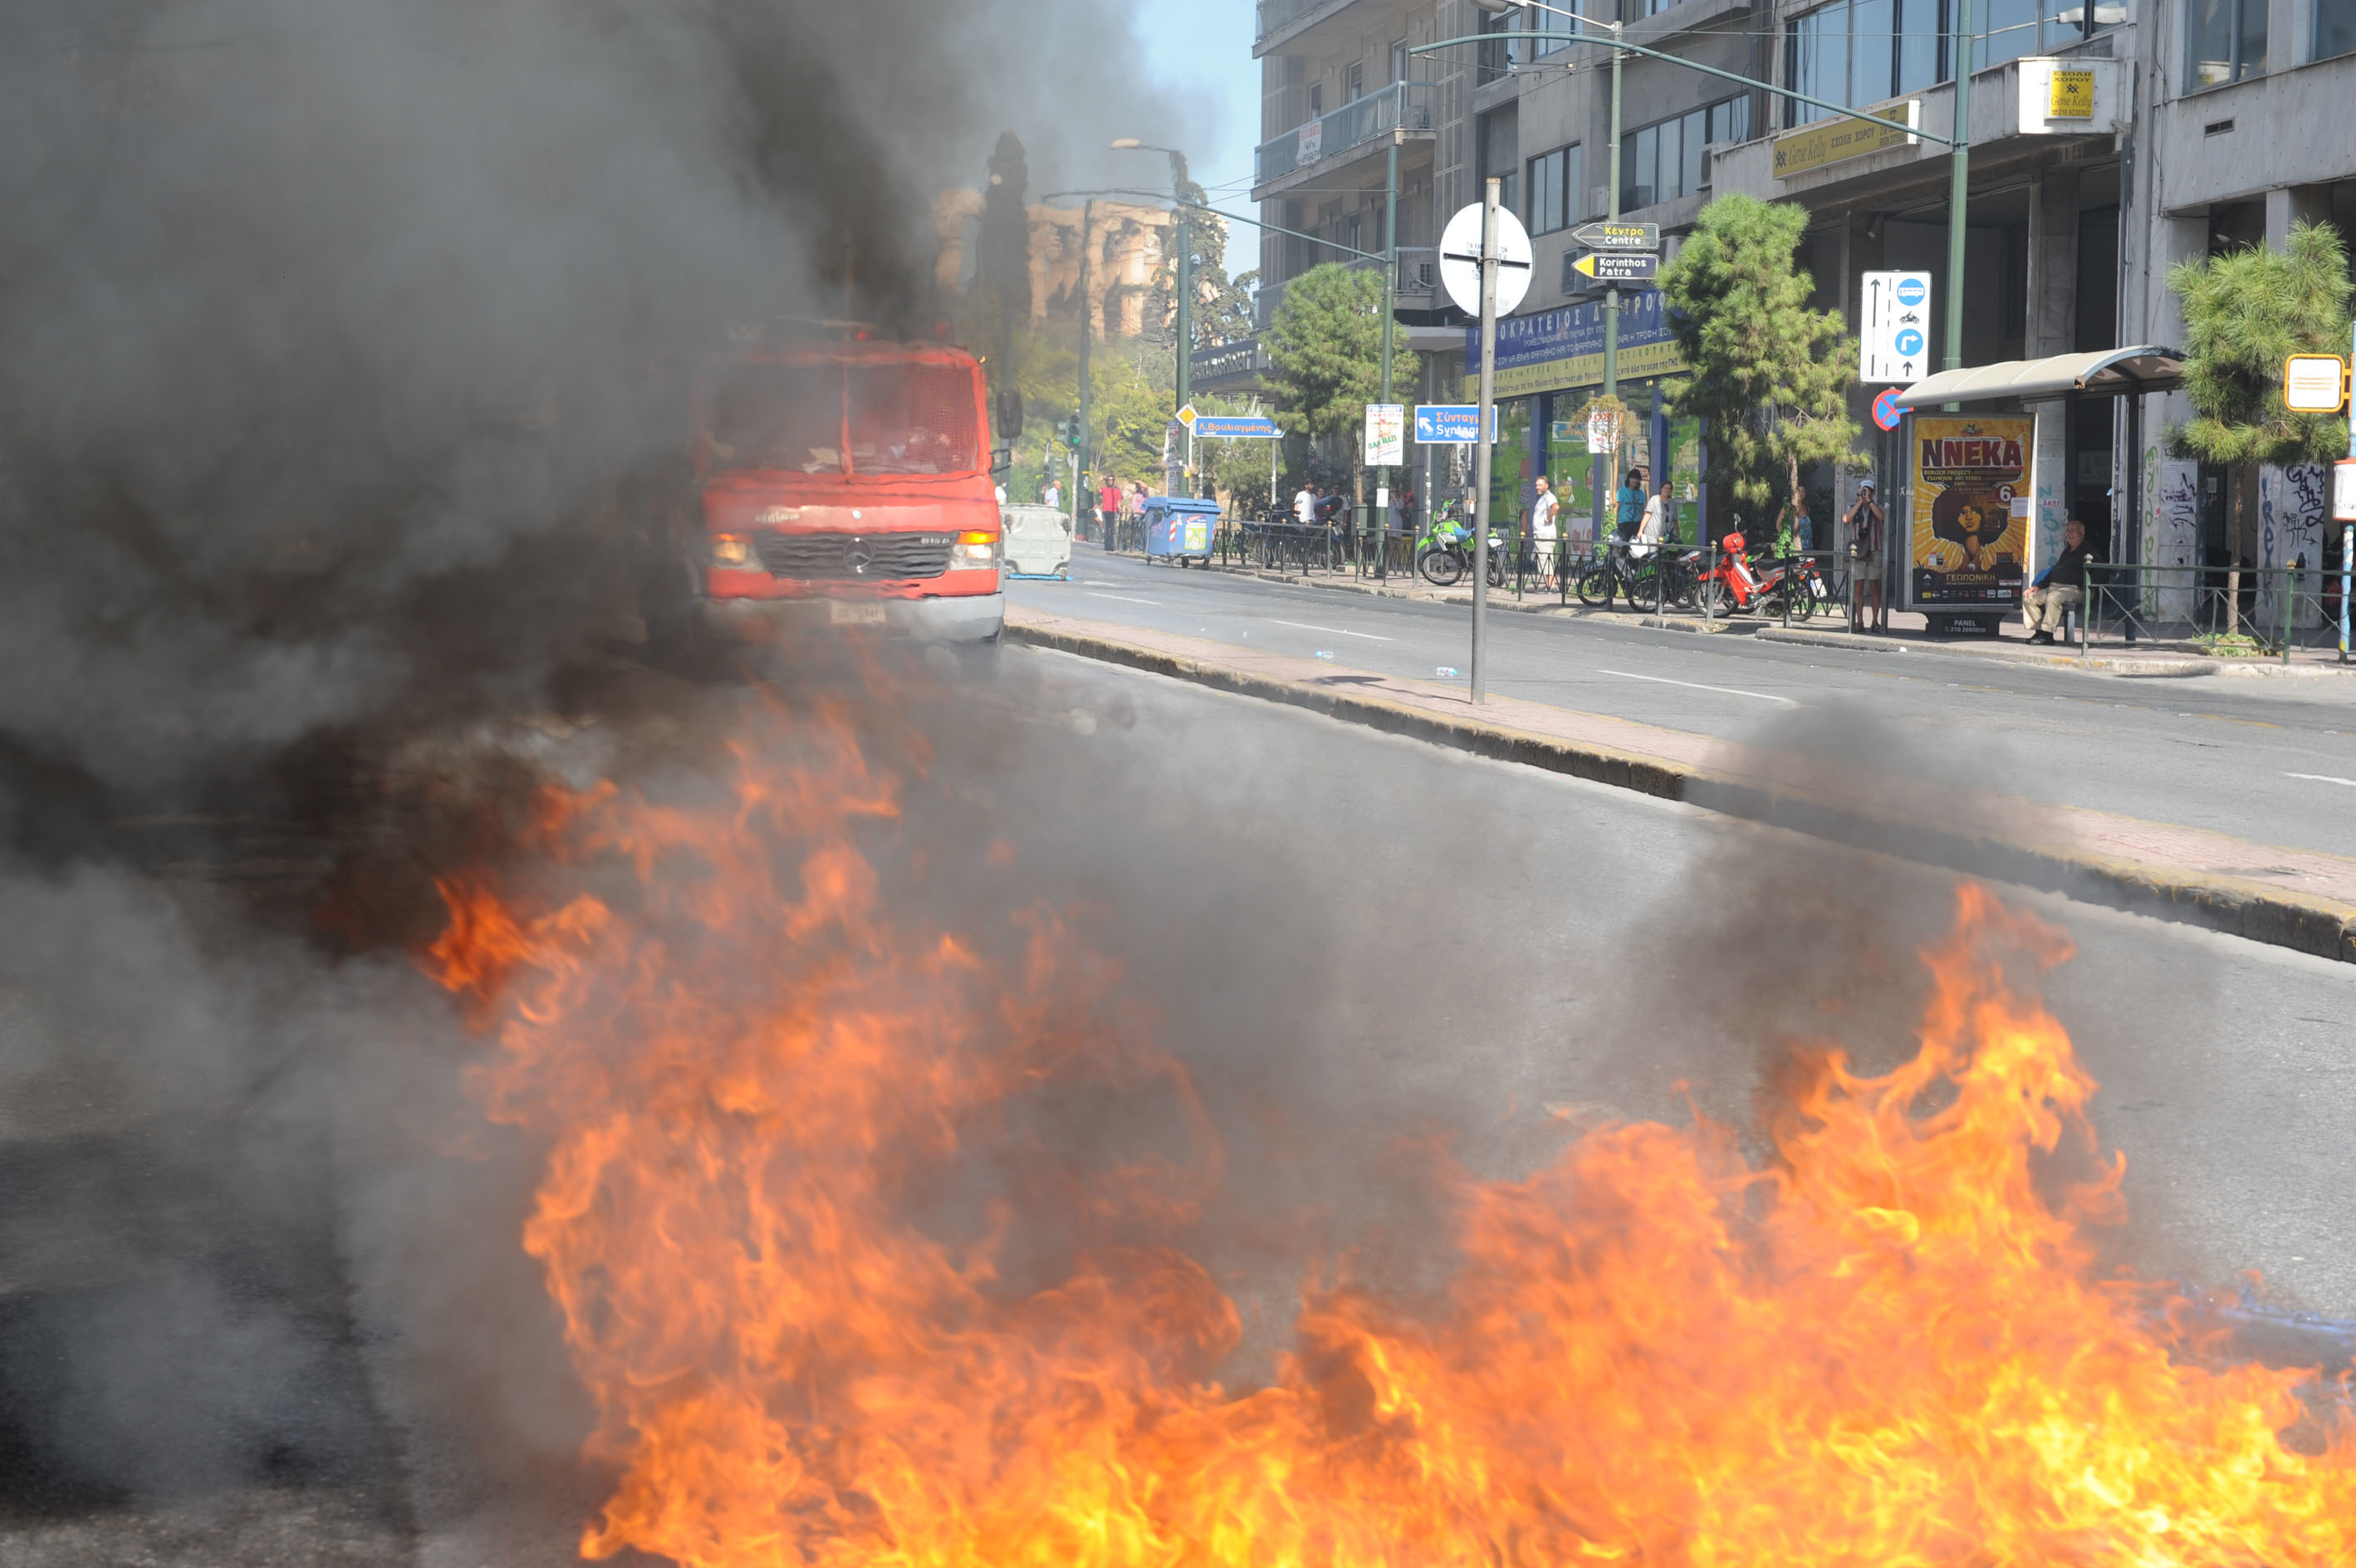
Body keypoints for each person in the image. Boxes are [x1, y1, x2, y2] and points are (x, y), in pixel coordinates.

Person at [2024, 517, 2091, 644]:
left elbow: (2099, 571)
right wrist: (2038, 586)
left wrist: (2086, 586)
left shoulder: (2088, 550)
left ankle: (2047, 635)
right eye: (2067, 531)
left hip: (2074, 589)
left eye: (2073, 531)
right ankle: (2039, 633)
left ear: (2081, 533)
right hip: (2054, 586)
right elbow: (2054, 571)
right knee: (2029, 597)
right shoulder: (2067, 551)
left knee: (2054, 597)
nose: (2069, 534)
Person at [1844, 479, 1886, 632]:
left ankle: (1875, 621)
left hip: (1874, 551)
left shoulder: (1877, 507)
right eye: (1863, 490)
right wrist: (1859, 502)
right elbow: (1846, 519)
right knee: (1858, 586)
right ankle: (1859, 621)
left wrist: (1870, 501)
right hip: (1858, 553)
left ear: (1873, 492)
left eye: (1868, 490)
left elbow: (1882, 517)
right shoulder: (1852, 507)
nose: (1865, 492)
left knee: (1875, 586)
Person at [1634, 476, 1671, 559]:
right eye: (1665, 488)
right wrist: (1640, 531)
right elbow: (1647, 515)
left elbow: (1675, 520)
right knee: (1653, 557)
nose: (1667, 490)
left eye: (1669, 489)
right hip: (1653, 535)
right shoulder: (1654, 499)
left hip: (1666, 536)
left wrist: (1676, 534)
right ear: (1661, 489)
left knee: (1665, 557)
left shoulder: (1673, 503)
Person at [1530, 475, 1559, 576]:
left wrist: (1548, 518)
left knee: (1546, 561)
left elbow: (1555, 507)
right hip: (1540, 535)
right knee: (1536, 558)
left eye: (1540, 485)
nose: (1537, 487)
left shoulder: (1549, 496)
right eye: (1536, 485)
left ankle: (1551, 587)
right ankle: (1548, 585)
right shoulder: (1542, 498)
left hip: (1544, 535)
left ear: (1546, 486)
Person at [1616, 466, 1647, 540]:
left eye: (1637, 479)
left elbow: (1642, 510)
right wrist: (1615, 521)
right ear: (1629, 479)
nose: (1635, 481)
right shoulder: (1622, 491)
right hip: (1624, 524)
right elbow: (1617, 507)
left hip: (1637, 524)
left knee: (1637, 549)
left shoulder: (1641, 493)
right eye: (1633, 478)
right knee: (1625, 546)